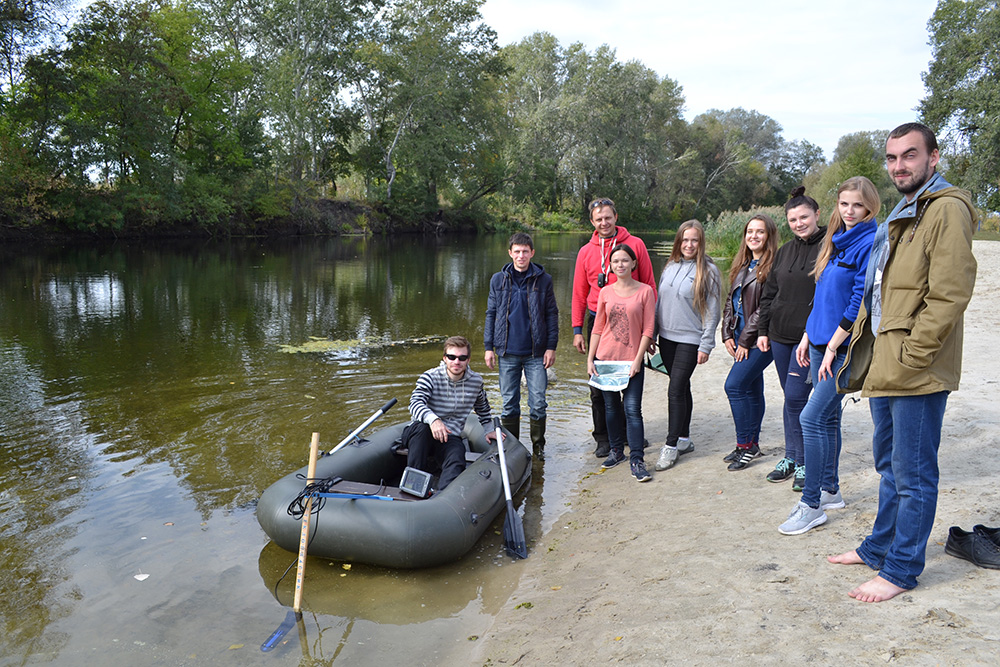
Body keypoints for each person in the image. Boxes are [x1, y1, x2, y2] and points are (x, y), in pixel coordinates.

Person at [829, 122, 978, 602]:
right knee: (890, 465)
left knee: (913, 474)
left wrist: (914, 354)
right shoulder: (905, 207)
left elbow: (949, 293)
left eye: (909, 156)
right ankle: (879, 547)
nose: (899, 166)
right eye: (892, 158)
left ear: (933, 157)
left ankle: (900, 570)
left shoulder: (946, 209)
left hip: (915, 366)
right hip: (885, 363)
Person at [778, 177, 879, 535]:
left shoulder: (869, 242)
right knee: (830, 420)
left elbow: (857, 302)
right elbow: (822, 298)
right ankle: (831, 490)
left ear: (870, 207)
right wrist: (808, 336)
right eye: (845, 204)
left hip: (841, 348)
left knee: (810, 418)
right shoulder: (836, 241)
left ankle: (811, 504)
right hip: (819, 341)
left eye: (858, 205)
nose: (850, 211)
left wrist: (833, 346)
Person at [572, 197, 656, 459]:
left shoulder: (636, 245)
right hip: (599, 318)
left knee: (630, 379)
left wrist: (653, 331)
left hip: (633, 317)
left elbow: (650, 285)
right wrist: (576, 329)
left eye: (608, 217)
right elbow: (578, 292)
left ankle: (631, 436)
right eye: (598, 219)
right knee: (599, 386)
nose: (604, 223)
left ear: (616, 217)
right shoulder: (586, 251)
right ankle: (604, 438)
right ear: (592, 222)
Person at [756, 188, 826, 490]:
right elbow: (770, 293)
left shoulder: (830, 247)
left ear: (817, 215)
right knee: (790, 399)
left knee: (798, 398)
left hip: (807, 338)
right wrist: (762, 331)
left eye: (804, 217)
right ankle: (791, 457)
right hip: (779, 336)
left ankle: (806, 462)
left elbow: (827, 296)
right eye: (793, 219)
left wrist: (810, 335)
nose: (799, 224)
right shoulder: (784, 251)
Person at [653, 220, 721, 471]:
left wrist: (706, 345)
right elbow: (660, 304)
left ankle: (670, 447)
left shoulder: (709, 270)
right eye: (685, 240)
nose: (689, 244)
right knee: (682, 387)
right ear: (678, 242)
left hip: (690, 340)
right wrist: (652, 335)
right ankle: (684, 439)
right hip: (667, 339)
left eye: (694, 240)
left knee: (675, 389)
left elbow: (712, 312)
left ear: (701, 242)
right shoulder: (670, 266)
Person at [484, 232, 559, 459]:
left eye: (525, 251)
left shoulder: (543, 279)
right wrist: (489, 347)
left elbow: (551, 314)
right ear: (510, 253)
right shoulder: (498, 279)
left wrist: (551, 346)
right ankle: (513, 450)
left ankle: (538, 448)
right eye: (517, 251)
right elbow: (491, 313)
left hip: (536, 353)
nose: (521, 255)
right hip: (507, 352)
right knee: (509, 405)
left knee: (538, 403)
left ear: (532, 253)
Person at [586, 243, 656, 482]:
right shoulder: (605, 292)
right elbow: (597, 328)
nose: (620, 265)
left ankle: (637, 459)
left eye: (625, 260)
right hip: (606, 359)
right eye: (616, 261)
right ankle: (617, 451)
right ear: (611, 265)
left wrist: (638, 360)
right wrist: (590, 359)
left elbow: (648, 329)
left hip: (632, 362)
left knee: (632, 410)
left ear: (633, 263)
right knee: (611, 408)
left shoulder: (645, 291)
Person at [721, 214, 778, 471]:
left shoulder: (772, 266)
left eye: (760, 232)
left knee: (734, 386)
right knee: (752, 389)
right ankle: (751, 444)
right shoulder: (744, 264)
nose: (754, 236)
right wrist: (726, 335)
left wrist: (745, 340)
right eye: (750, 231)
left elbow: (764, 309)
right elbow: (730, 303)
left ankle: (745, 445)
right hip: (740, 337)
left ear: (769, 236)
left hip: (761, 340)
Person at [404, 336, 497, 489]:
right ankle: (413, 486)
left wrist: (489, 430)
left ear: (468, 360)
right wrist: (433, 420)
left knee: (457, 455)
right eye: (452, 357)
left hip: (450, 435)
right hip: (421, 431)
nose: (456, 362)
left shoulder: (476, 382)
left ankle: (444, 497)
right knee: (421, 430)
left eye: (462, 358)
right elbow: (415, 402)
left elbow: (483, 409)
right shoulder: (430, 377)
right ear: (444, 358)